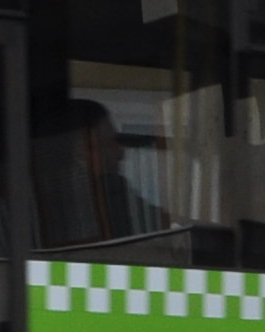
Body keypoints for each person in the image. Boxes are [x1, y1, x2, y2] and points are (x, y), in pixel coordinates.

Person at [34, 95, 167, 250]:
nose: (121, 154)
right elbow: (163, 228)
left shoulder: (35, 204)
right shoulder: (110, 191)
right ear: (82, 152)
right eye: (111, 143)